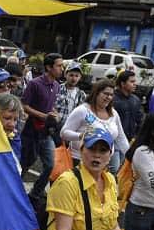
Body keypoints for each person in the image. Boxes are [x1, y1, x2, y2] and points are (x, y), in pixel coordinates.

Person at [61, 79, 130, 173]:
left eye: (111, 95)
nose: (108, 97)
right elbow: (64, 133)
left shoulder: (114, 114)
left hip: (103, 164)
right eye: (105, 93)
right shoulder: (82, 110)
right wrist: (81, 136)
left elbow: (121, 138)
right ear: (96, 93)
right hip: (79, 161)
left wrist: (131, 157)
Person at [21, 53, 63, 201]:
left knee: (50, 165)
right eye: (59, 65)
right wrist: (42, 116)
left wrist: (55, 114)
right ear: (48, 67)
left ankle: (36, 191)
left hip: (47, 133)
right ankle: (13, 188)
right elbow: (24, 106)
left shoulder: (57, 86)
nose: (61, 69)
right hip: (31, 131)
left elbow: (52, 106)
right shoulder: (35, 84)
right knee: (25, 163)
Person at [55, 61, 87, 133]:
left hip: (72, 131)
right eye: (71, 75)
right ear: (65, 75)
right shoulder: (57, 89)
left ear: (80, 77)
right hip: (56, 129)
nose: (74, 78)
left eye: (76, 76)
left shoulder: (81, 95)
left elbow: (87, 112)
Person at [113, 69, 144, 143]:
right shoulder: (112, 99)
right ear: (123, 84)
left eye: (135, 81)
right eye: (132, 82)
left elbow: (140, 120)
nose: (135, 84)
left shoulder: (135, 100)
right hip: (115, 139)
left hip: (131, 139)